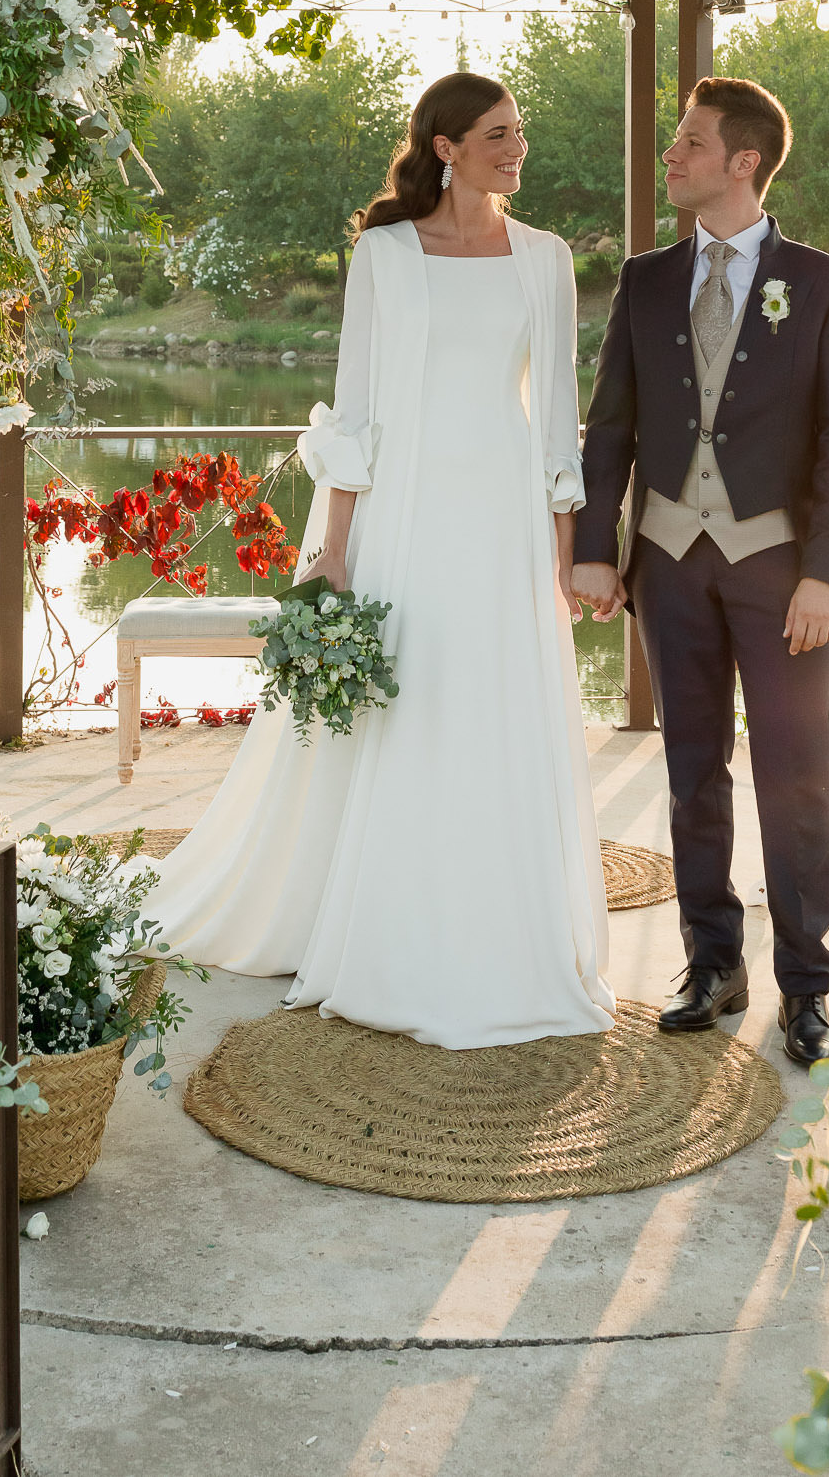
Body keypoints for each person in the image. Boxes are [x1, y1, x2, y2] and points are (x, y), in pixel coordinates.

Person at [145, 72, 615, 1050]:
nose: (516, 149)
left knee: (491, 707)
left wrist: (568, 558)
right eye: (498, 134)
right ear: (446, 146)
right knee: (401, 708)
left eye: (520, 132)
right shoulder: (386, 255)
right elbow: (355, 413)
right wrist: (332, 553)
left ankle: (494, 925)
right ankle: (378, 922)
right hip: (404, 511)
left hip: (501, 518)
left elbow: (557, 423)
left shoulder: (547, 259)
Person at [570, 76, 829, 1067]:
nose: (673, 155)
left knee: (796, 776)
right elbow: (610, 424)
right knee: (692, 770)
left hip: (779, 569)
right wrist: (593, 553)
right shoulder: (644, 279)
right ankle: (712, 963)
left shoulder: (825, 282)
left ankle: (807, 987)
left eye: (690, 143)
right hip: (667, 561)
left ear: (742, 162)